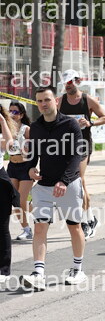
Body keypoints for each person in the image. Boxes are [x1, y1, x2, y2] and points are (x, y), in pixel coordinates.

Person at [20, 86, 87, 291]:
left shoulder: (70, 124)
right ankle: (38, 274)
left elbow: (77, 155)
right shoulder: (36, 127)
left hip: (69, 184)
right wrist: (31, 168)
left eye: (47, 100)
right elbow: (34, 154)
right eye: (39, 101)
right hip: (44, 186)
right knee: (40, 227)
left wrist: (64, 181)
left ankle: (78, 269)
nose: (43, 104)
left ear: (56, 101)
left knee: (74, 226)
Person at [58, 70, 105, 239]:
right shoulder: (60, 101)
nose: (67, 86)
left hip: (82, 146)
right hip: (65, 147)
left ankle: (86, 222)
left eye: (70, 82)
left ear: (77, 81)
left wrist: (90, 123)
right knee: (76, 183)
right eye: (65, 83)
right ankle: (91, 218)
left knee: (80, 181)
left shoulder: (88, 100)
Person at [7, 102, 34, 240]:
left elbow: (33, 148)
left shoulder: (26, 129)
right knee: (15, 200)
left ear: (21, 115)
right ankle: (26, 229)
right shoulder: (6, 128)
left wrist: (27, 149)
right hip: (12, 166)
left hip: (25, 166)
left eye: (15, 112)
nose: (12, 114)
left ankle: (41, 209)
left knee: (22, 200)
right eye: (10, 111)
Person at [0, 103, 16, 284]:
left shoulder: (1, 137)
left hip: (1, 183)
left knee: (2, 227)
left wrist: (3, 122)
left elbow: (11, 147)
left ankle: (4, 270)